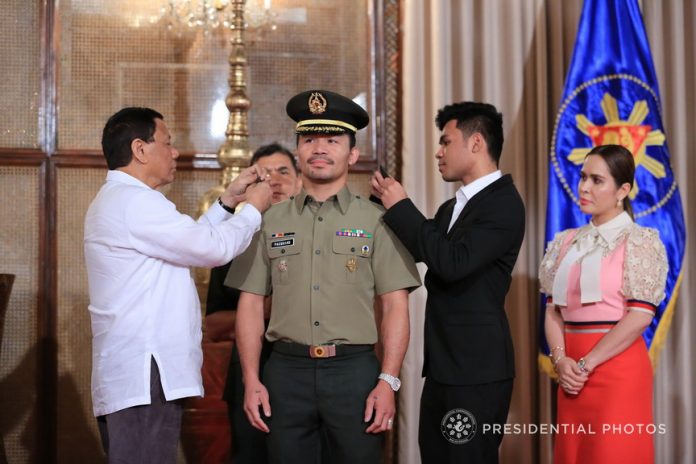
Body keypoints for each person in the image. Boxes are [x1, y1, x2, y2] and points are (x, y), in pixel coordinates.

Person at [226, 89, 421, 464]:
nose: (319, 148)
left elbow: (396, 306)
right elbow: (249, 305)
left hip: (355, 374)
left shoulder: (377, 220)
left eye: (332, 140)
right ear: (297, 150)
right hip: (285, 373)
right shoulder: (266, 221)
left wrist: (388, 380)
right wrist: (251, 379)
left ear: (351, 154)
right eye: (309, 139)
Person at [84, 107, 272, 463]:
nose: (175, 153)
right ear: (140, 149)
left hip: (138, 371)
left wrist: (228, 201)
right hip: (145, 371)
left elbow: (188, 241)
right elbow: (212, 249)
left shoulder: (125, 201)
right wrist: (254, 210)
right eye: (167, 143)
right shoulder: (136, 203)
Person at [371, 101, 525, 463]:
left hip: (477, 370)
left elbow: (452, 263)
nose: (438, 153)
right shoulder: (453, 207)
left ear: (475, 143)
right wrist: (376, 205)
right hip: (443, 366)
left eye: (446, 142)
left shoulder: (503, 204)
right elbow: (423, 246)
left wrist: (401, 206)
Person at [538, 144, 668, 464]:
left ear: (623, 189)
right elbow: (553, 311)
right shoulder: (565, 242)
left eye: (597, 180)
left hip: (618, 373)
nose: (583, 187)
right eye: (583, 177)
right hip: (571, 377)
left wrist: (585, 364)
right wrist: (561, 361)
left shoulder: (641, 241)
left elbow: (639, 316)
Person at [205, 142, 301, 464]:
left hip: (309, 373)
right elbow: (214, 325)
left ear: (300, 181)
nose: (274, 179)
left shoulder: (319, 236)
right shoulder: (235, 240)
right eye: (264, 174)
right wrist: (266, 309)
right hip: (251, 372)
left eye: (284, 171)